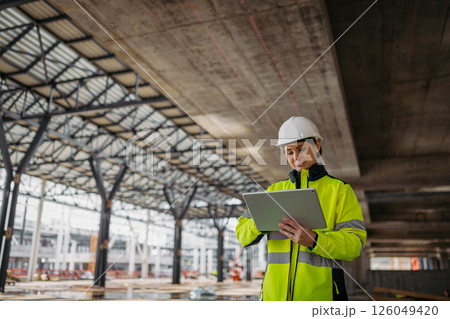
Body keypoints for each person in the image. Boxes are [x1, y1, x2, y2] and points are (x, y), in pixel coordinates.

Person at [236, 116, 366, 301]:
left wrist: (315, 241)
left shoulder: (339, 190)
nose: (296, 158)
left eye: (301, 149)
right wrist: (261, 222)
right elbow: (241, 234)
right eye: (289, 152)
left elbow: (355, 244)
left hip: (321, 299)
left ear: (317, 145)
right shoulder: (274, 190)